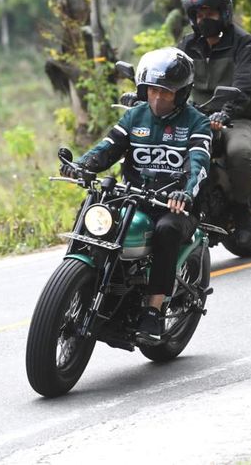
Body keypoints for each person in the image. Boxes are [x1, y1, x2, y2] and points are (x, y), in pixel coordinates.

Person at [60, 47, 211, 344]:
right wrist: (82, 165)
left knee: (166, 230)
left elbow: (199, 166)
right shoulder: (135, 116)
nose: (157, 99)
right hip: (133, 196)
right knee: (93, 209)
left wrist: (186, 193)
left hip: (174, 204)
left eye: (166, 93)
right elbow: (107, 148)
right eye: (152, 91)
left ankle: (153, 310)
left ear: (181, 93)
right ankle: (76, 277)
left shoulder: (196, 122)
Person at [177, 0, 251, 245]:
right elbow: (171, 76)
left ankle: (243, 210)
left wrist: (226, 112)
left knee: (237, 152)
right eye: (199, 14)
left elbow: (245, 84)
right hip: (198, 117)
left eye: (210, 12)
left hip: (238, 118)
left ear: (223, 12)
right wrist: (144, 94)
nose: (204, 18)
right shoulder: (188, 46)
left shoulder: (243, 43)